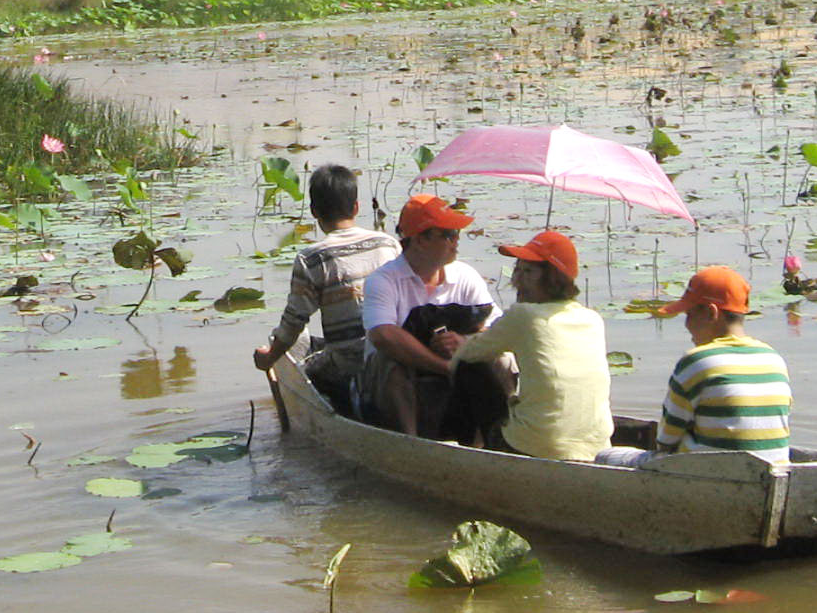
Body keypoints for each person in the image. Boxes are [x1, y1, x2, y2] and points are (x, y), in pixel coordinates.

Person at [438, 229, 614, 461]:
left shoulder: (524, 315)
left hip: (537, 445)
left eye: (528, 271)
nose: (517, 280)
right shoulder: (592, 318)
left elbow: (466, 355)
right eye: (517, 269)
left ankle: (467, 452)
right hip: (598, 448)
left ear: (553, 278)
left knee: (470, 368)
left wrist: (463, 341)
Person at [596, 265, 791, 467]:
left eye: (689, 314)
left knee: (605, 456)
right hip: (774, 468)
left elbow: (665, 441)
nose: (686, 324)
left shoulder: (697, 361)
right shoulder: (773, 358)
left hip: (709, 472)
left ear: (710, 313)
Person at [356, 194, 501, 436]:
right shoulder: (384, 281)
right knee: (388, 362)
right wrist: (446, 367)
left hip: (454, 369)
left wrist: (466, 343)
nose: (456, 242)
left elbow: (496, 327)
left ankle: (497, 438)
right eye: (448, 235)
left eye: (457, 234)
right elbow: (383, 335)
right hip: (398, 381)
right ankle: (411, 443)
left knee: (501, 359)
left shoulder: (465, 276)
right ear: (420, 240)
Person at [252, 164, 397, 401]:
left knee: (305, 367)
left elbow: (293, 323)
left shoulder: (311, 259)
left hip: (347, 364)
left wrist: (269, 358)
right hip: (394, 354)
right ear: (356, 207)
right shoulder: (387, 244)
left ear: (314, 211)